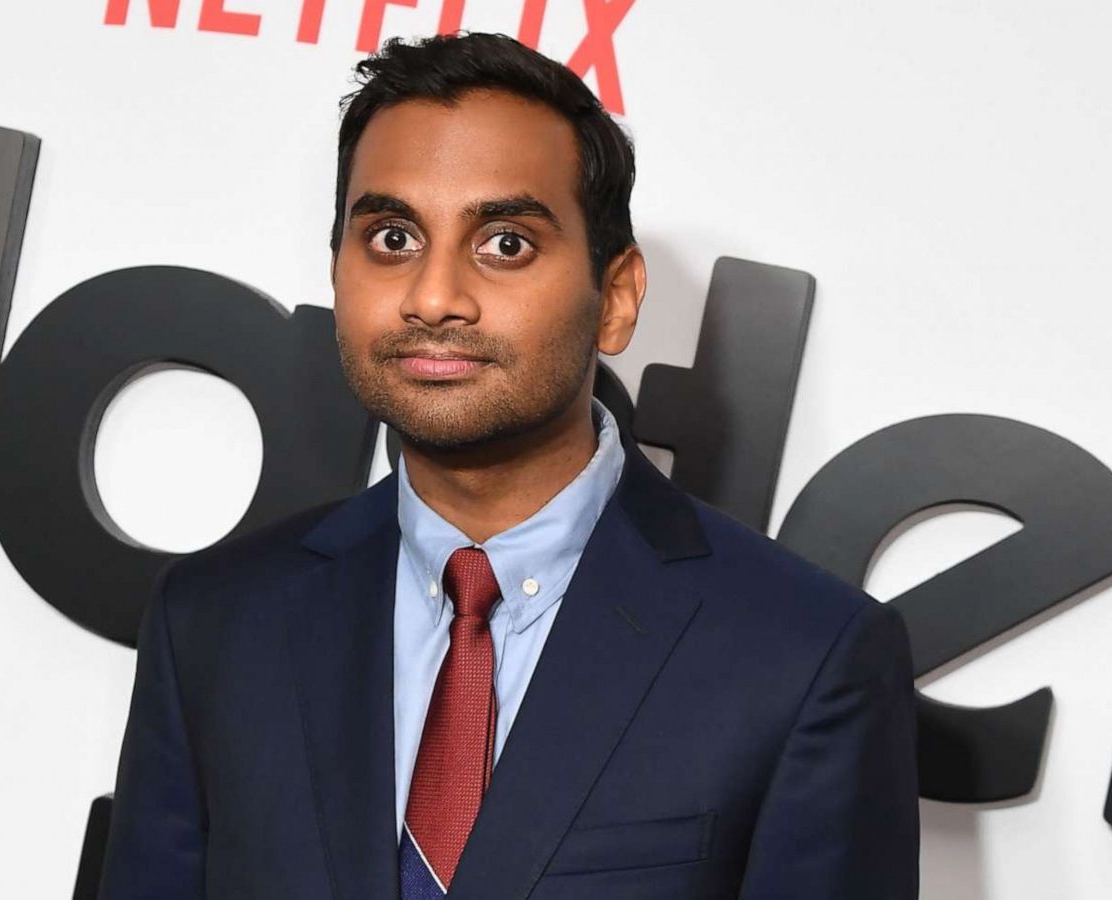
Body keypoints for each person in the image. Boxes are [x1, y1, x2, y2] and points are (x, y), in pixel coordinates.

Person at [99, 31, 918, 900]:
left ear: (617, 298)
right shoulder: (216, 623)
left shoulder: (807, 656)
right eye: (391, 237)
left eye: (506, 245)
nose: (435, 296)